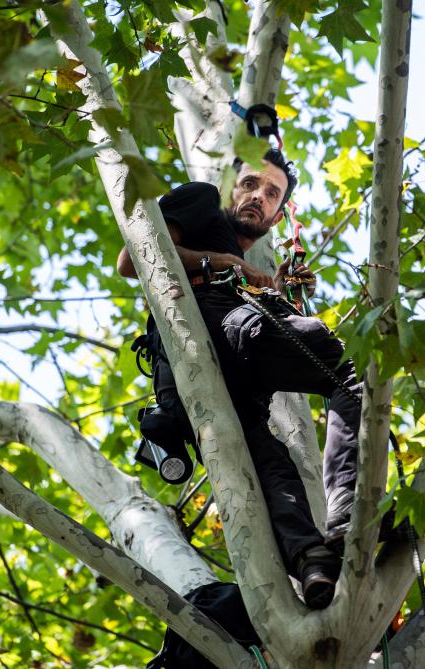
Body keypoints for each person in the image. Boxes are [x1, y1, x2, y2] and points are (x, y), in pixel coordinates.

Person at [117, 149, 362, 610]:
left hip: (222, 370)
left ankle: (312, 561)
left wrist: (277, 288)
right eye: (250, 184)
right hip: (209, 331)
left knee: (268, 461)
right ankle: (349, 516)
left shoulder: (245, 261)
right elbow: (135, 258)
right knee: (351, 370)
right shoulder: (203, 200)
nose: (258, 197)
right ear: (231, 186)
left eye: (272, 194)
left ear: (276, 216)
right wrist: (224, 264)